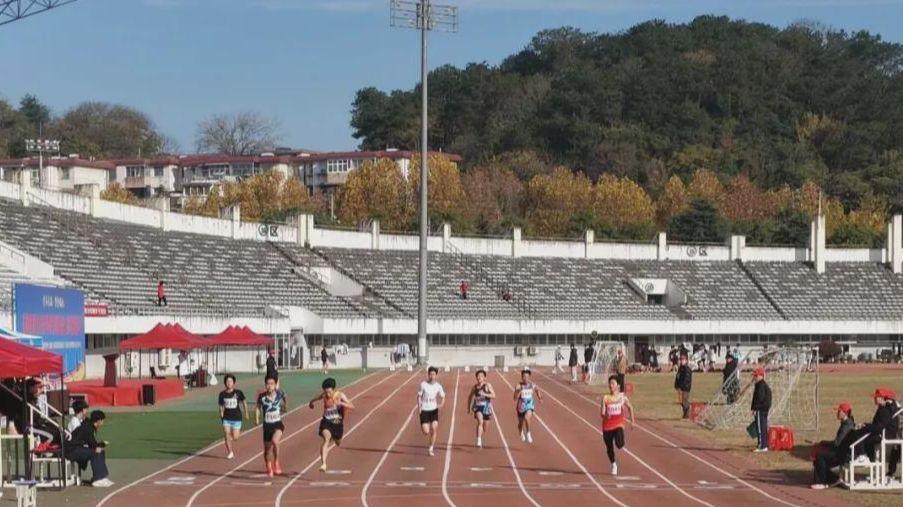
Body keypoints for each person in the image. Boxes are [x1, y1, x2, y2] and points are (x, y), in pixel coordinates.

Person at [309, 377, 354, 472]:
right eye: (325, 392)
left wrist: (341, 403)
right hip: (326, 422)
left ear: (333, 389)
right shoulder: (324, 395)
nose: (327, 394)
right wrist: (311, 403)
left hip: (337, 423)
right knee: (326, 439)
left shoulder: (340, 395)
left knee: (338, 441)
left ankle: (337, 439)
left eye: (329, 392)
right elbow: (316, 398)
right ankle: (323, 464)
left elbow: (352, 406)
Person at [811, 402, 856, 489]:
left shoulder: (847, 426)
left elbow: (836, 443)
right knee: (818, 456)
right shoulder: (845, 424)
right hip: (841, 451)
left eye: (839, 411)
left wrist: (822, 443)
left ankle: (822, 482)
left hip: (843, 454)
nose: (837, 413)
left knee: (820, 456)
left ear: (845, 413)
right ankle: (834, 480)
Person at [66, 410, 112, 487]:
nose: (103, 422)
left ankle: (102, 477)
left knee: (100, 451)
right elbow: (92, 444)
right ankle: (97, 479)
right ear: (98, 421)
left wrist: (100, 445)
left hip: (77, 448)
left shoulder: (89, 426)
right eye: (102, 420)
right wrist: (102, 444)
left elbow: (92, 443)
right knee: (95, 452)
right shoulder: (88, 428)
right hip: (72, 450)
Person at [860, 387, 901, 476]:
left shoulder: (885, 409)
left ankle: (868, 459)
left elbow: (879, 426)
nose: (874, 398)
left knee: (867, 440)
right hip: (886, 433)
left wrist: (866, 426)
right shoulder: (884, 408)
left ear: (882, 398)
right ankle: (870, 461)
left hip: (886, 435)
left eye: (876, 397)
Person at [601, 375, 635, 476]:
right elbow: (602, 413)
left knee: (619, 444)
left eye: (613, 383)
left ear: (618, 385)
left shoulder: (622, 397)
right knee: (609, 448)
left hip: (618, 424)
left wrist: (632, 421)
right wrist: (606, 414)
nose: (610, 385)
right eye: (609, 383)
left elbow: (630, 408)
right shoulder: (605, 398)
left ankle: (620, 440)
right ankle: (614, 465)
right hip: (607, 426)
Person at [255, 376, 286, 477]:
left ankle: (276, 461)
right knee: (267, 451)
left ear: (275, 385)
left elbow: (285, 397)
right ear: (265, 385)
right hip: (267, 425)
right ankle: (269, 466)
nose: (269, 386)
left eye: (272, 384)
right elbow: (258, 408)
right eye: (267, 384)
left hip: (277, 423)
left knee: (275, 441)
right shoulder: (262, 397)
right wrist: (257, 419)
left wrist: (285, 406)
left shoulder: (279, 393)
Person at [417, 366, 446, 456]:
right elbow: (419, 397)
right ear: (428, 375)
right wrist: (419, 408)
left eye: (433, 374)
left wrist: (441, 404)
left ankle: (431, 448)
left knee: (434, 428)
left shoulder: (438, 386)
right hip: (425, 410)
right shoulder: (423, 384)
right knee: (426, 432)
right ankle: (426, 429)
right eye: (430, 374)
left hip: (433, 410)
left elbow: (443, 396)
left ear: (436, 375)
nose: (432, 376)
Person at [218, 374, 248, 460]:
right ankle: (230, 452)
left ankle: (233, 434)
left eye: (230, 381)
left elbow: (244, 402)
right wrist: (221, 414)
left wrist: (246, 413)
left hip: (237, 418)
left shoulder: (238, 393)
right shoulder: (222, 394)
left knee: (235, 438)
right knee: (226, 433)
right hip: (226, 418)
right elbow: (221, 406)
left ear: (234, 383)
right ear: (225, 383)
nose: (229, 383)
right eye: (227, 381)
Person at [466, 369, 495, 448]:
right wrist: (468, 408)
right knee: (480, 422)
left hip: (486, 408)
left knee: (485, 427)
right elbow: (470, 397)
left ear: (484, 378)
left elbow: (493, 395)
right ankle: (479, 439)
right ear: (476, 378)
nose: (479, 377)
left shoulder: (487, 385)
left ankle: (480, 433)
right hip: (478, 407)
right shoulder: (475, 387)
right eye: (478, 376)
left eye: (481, 376)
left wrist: (485, 394)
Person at [513, 369, 542, 443]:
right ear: (522, 377)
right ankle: (521, 432)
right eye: (524, 377)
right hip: (520, 406)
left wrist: (539, 397)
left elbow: (537, 390)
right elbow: (515, 398)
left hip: (529, 405)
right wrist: (519, 391)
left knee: (527, 418)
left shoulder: (532, 385)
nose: (526, 378)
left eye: (527, 377)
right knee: (520, 424)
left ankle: (528, 433)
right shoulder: (518, 385)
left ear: (529, 377)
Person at [751, 367, 772, 452]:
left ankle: (761, 446)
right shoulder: (760, 385)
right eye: (754, 376)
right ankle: (764, 444)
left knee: (760, 427)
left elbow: (759, 398)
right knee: (763, 426)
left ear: (761, 376)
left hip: (761, 409)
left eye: (756, 376)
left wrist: (755, 408)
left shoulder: (761, 385)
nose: (754, 377)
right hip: (763, 408)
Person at [674, 354, 692, 419]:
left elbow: (687, 379)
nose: (682, 361)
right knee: (681, 401)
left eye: (683, 360)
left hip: (685, 388)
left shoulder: (687, 369)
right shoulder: (680, 368)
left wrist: (682, 386)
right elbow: (677, 377)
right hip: (680, 388)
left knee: (685, 401)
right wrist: (676, 385)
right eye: (681, 360)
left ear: (686, 360)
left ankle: (688, 412)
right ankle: (685, 413)